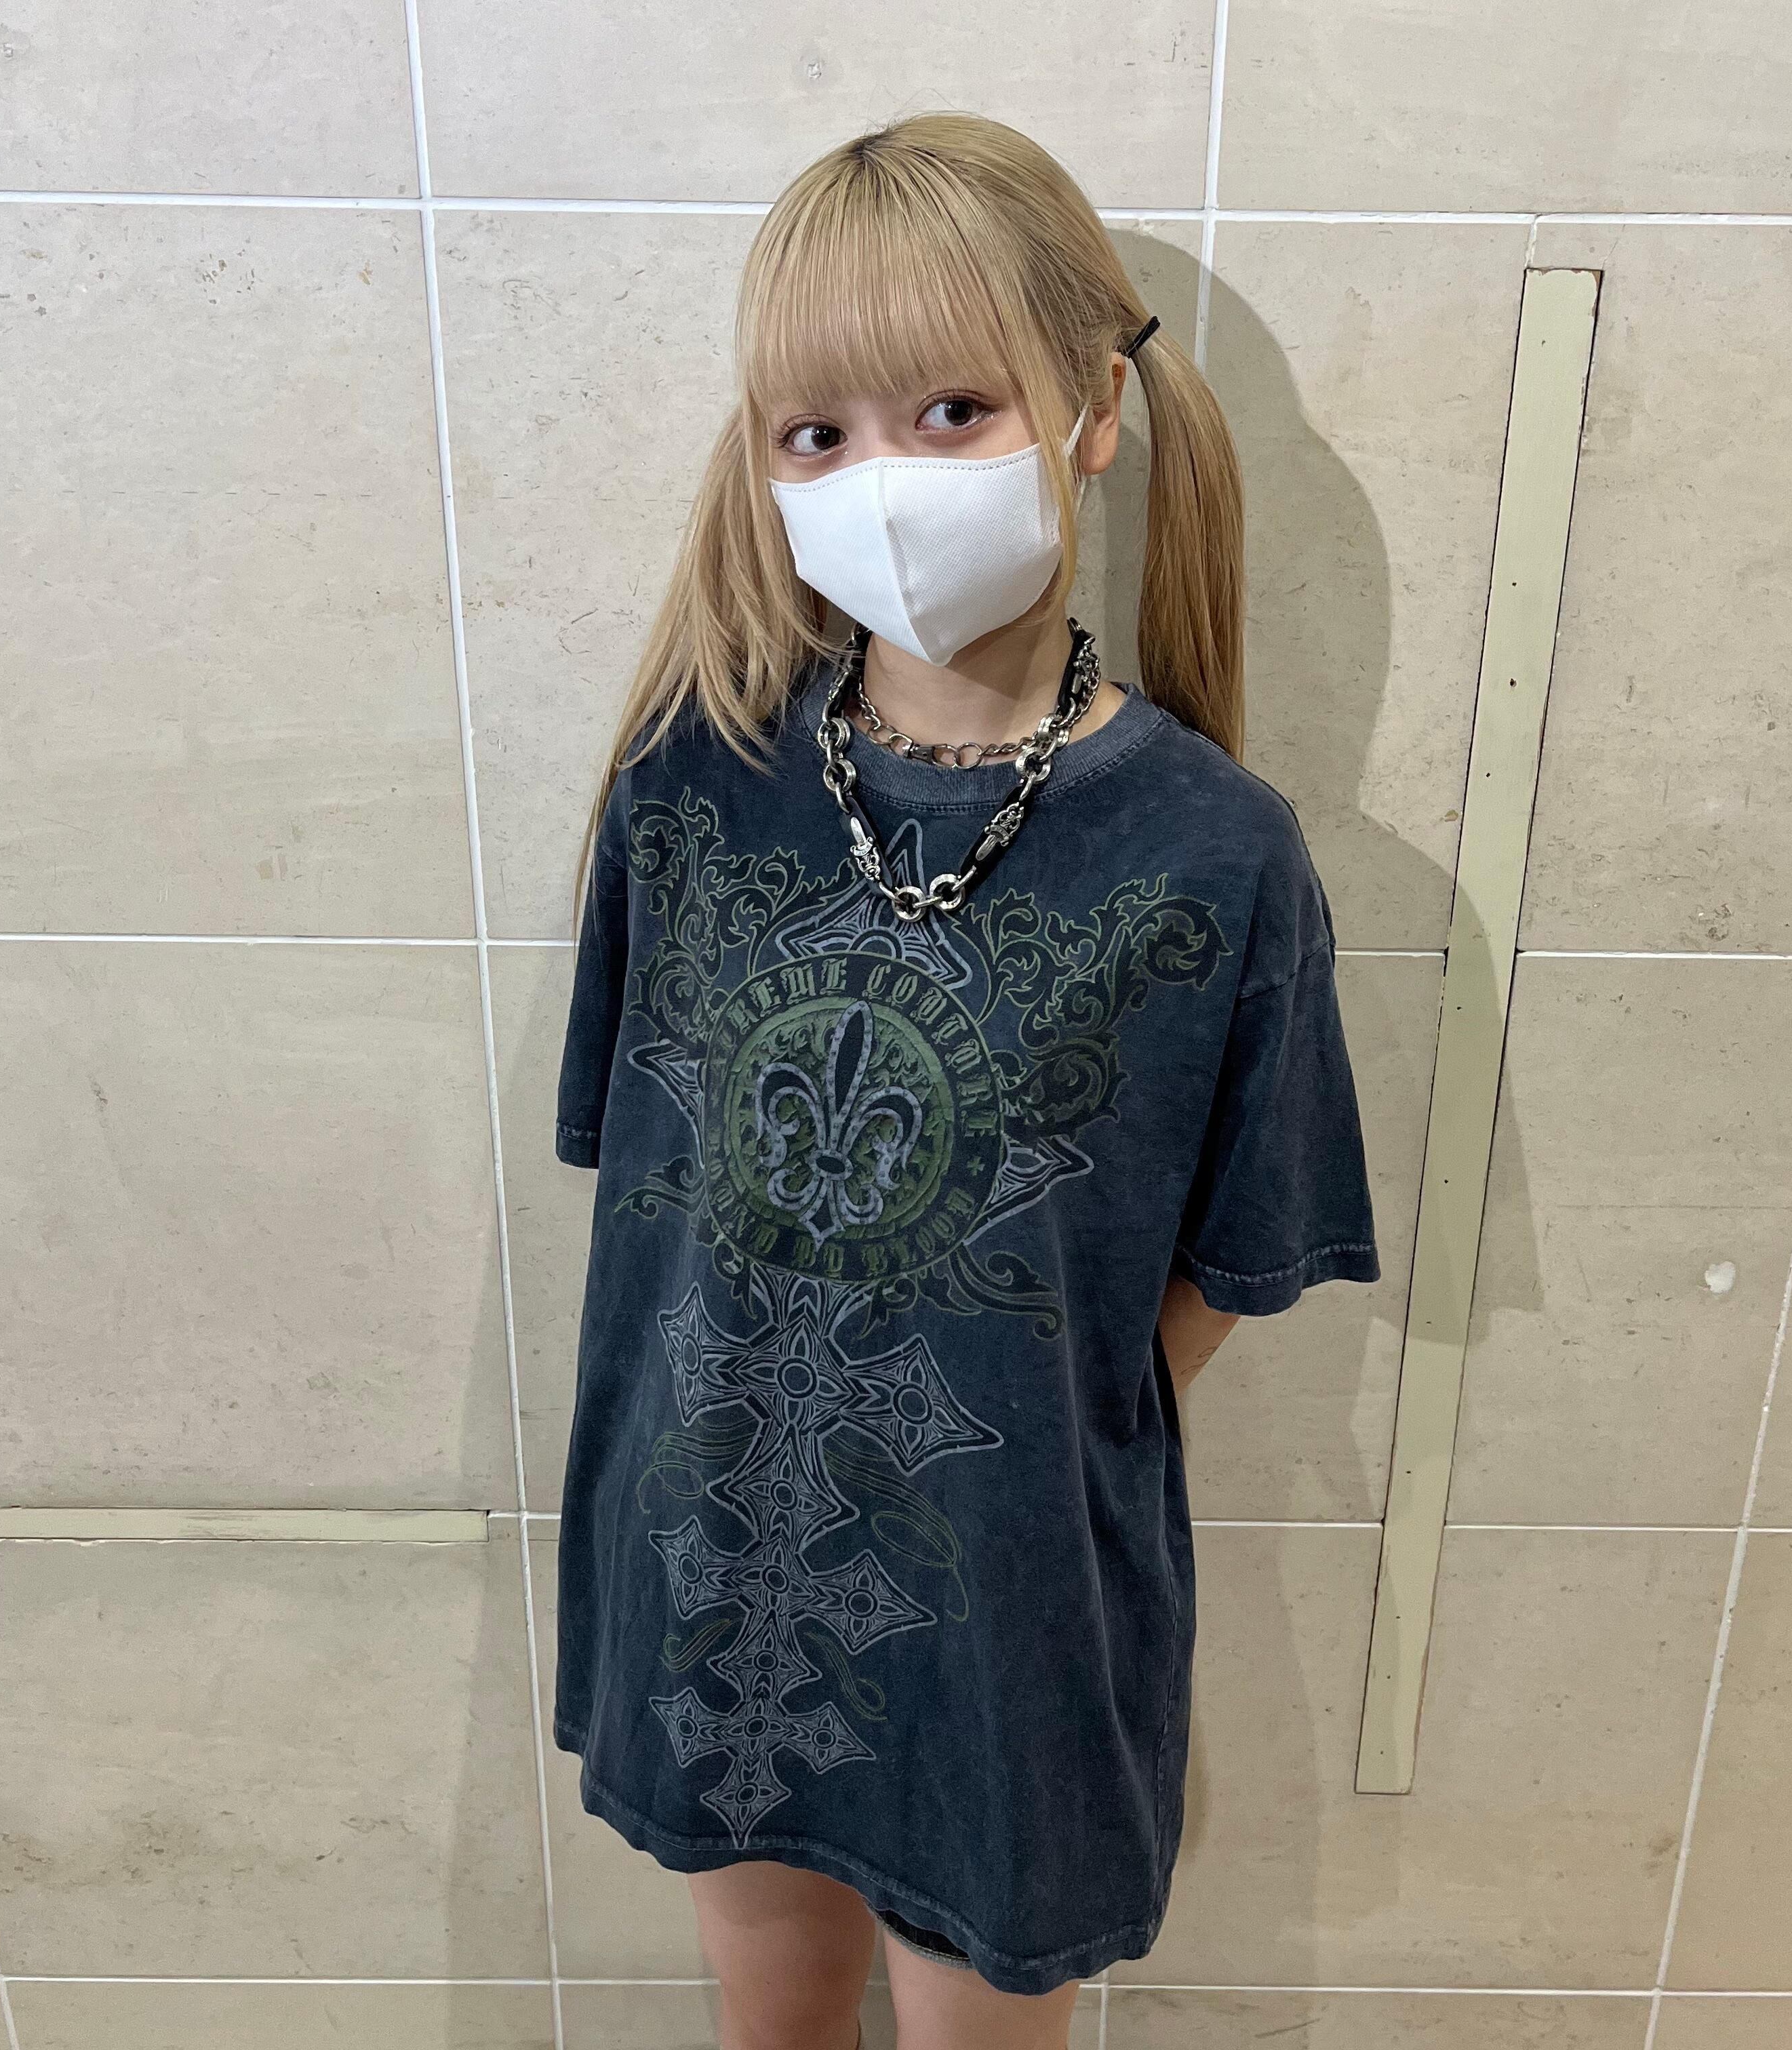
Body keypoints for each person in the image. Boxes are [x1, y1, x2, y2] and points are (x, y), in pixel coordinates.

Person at [551, 108, 1380, 2050]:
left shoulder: (1213, 850)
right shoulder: (689, 788)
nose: (886, 484)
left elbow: (1230, 1262)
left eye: (950, 411)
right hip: (708, 1572)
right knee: (767, 2026)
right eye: (815, 435)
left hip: (1011, 1608)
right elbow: (654, 1186)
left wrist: (1015, 1414)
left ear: (1092, 411)